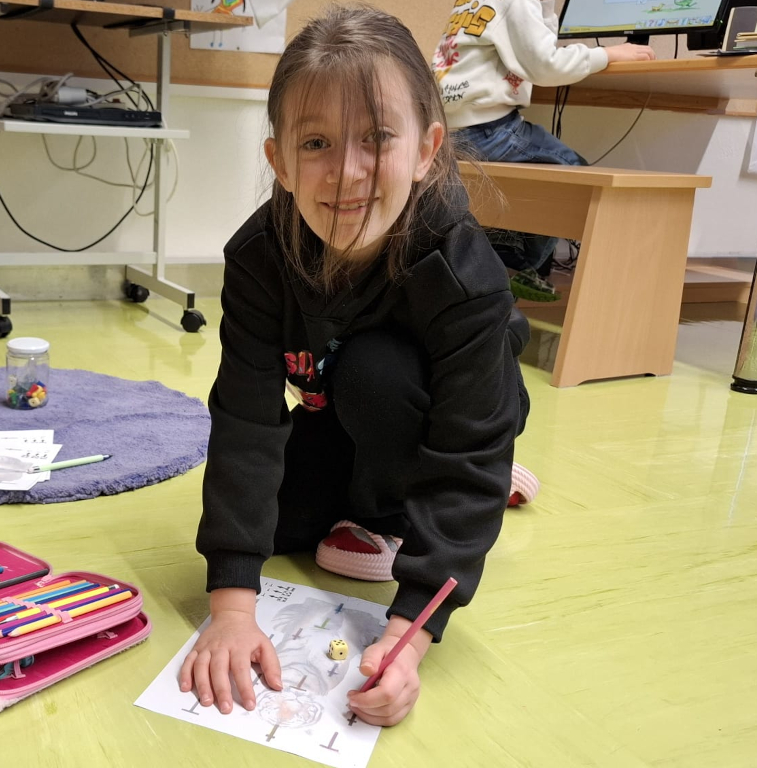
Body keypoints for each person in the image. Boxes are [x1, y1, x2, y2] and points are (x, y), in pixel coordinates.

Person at [178, 5, 538, 727]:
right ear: (280, 162)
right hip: (334, 407)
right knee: (282, 524)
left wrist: (410, 634)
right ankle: (377, 493)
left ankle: (428, 497)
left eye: (377, 138)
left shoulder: (461, 272)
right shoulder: (257, 258)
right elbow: (247, 420)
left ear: (427, 149)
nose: (347, 173)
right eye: (316, 143)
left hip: (452, 406)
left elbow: (467, 449)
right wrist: (231, 608)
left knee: (377, 374)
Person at [432, 0, 655, 301]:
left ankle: (503, 257)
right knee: (576, 179)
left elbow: (536, 41)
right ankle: (521, 265)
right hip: (491, 130)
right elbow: (545, 65)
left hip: (454, 133)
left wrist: (546, 8)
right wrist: (608, 54)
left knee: (537, 182)